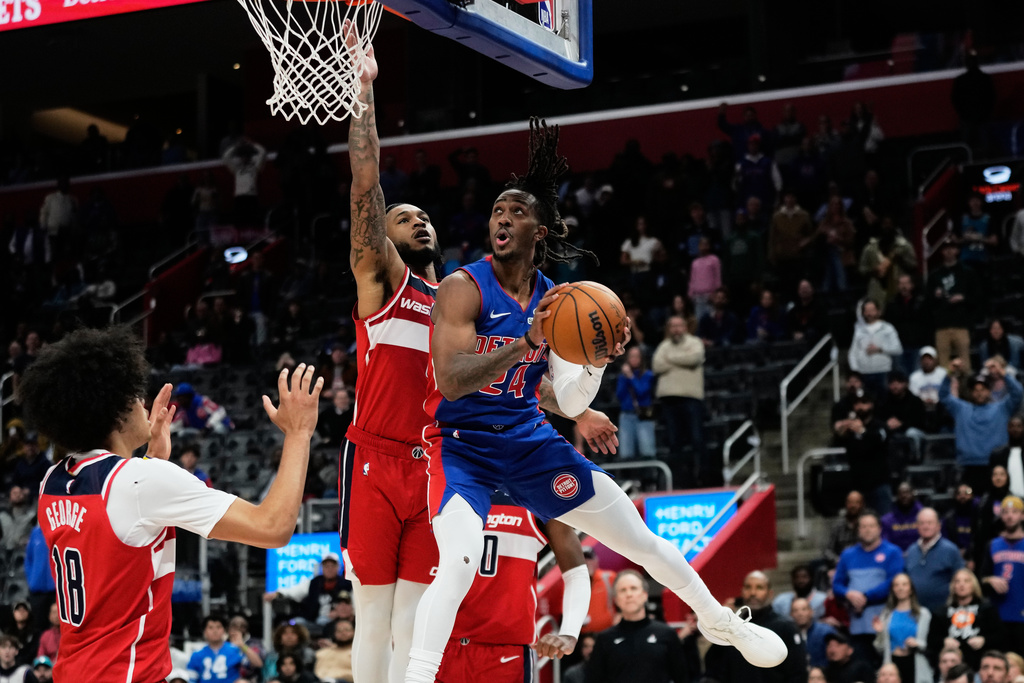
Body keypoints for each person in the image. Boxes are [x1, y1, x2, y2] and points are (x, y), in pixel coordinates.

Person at [405, 119, 786, 683]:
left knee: (640, 540)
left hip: (527, 440)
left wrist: (585, 388)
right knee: (458, 563)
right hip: (463, 448)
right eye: (496, 211)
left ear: (540, 229)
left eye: (515, 212)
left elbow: (541, 386)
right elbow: (453, 379)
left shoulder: (558, 301)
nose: (501, 219)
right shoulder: (465, 286)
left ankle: (718, 620)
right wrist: (527, 342)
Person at [19, 326, 323, 683]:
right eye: (134, 397)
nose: (142, 404)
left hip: (72, 672)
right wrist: (299, 434)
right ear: (114, 411)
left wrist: (151, 462)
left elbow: (116, 530)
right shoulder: (140, 482)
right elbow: (274, 527)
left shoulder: (50, 483)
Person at [340, 41, 443, 683]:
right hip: (375, 460)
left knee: (414, 620)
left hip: (432, 461)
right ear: (385, 233)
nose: (420, 221)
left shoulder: (457, 302)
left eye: (426, 216)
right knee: (372, 615)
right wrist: (365, 91)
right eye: (406, 217)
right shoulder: (380, 280)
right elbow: (365, 181)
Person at [435, 498, 590, 683]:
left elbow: (577, 573)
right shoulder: (445, 488)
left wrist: (569, 632)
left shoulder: (537, 496)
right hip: (438, 646)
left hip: (505, 653)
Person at [585, 571, 691, 683]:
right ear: (616, 600)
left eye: (633, 588)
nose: (629, 594)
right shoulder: (604, 639)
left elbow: (682, 677)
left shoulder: (666, 634)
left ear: (645, 595)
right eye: (623, 590)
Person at [705, 571, 808, 683]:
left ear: (770, 593)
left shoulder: (785, 626)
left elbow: (798, 672)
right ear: (742, 592)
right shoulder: (731, 627)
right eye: (748, 587)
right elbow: (713, 665)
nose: (753, 593)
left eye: (759, 587)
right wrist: (722, 621)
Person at [940, 359, 1023, 492]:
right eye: (975, 389)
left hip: (995, 467)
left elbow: (1017, 394)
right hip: (967, 466)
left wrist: (1002, 373)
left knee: (995, 505)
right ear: (971, 392)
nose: (979, 393)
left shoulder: (1001, 408)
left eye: (983, 389)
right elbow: (943, 396)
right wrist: (950, 373)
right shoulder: (961, 408)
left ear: (989, 391)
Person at [833, 512, 905, 663]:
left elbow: (894, 582)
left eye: (871, 526)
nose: (867, 530)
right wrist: (849, 594)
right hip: (856, 626)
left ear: (879, 529)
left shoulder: (892, 552)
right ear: (858, 530)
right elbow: (837, 585)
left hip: (885, 625)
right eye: (863, 526)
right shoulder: (848, 555)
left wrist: (865, 597)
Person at [652, 314, 712, 487]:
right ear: (669, 329)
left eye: (679, 325)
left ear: (685, 327)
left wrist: (670, 359)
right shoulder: (663, 345)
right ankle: (678, 481)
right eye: (673, 326)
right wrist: (680, 359)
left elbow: (695, 358)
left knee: (697, 439)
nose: (676, 329)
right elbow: (657, 365)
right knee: (673, 442)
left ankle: (703, 478)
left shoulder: (695, 343)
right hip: (669, 401)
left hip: (691, 399)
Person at [926, 568, 1002, 671]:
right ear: (953, 586)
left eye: (966, 581)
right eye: (957, 581)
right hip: (950, 669)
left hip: (979, 667)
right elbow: (931, 640)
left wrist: (984, 640)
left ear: (973, 585)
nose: (962, 585)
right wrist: (944, 641)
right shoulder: (941, 612)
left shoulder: (987, 609)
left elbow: (1001, 636)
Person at [834, 391, 892, 514]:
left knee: (884, 521)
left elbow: (880, 439)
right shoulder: (850, 429)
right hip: (857, 485)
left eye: (864, 402)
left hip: (879, 483)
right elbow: (838, 443)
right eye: (857, 403)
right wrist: (840, 430)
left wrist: (862, 431)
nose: (860, 406)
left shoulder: (879, 426)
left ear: (871, 405)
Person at [928, 240, 981, 372]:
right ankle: (946, 391)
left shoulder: (967, 272)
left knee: (965, 364)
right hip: (942, 326)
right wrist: (935, 295)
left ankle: (965, 391)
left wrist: (963, 298)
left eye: (952, 248)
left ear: (957, 251)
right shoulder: (934, 275)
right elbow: (927, 301)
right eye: (946, 248)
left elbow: (977, 297)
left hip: (961, 324)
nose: (949, 251)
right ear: (941, 252)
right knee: (943, 365)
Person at [871, 573, 933, 683]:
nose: (900, 588)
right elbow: (880, 649)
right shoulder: (886, 615)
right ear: (893, 590)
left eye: (904, 584)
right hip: (892, 663)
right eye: (896, 585)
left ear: (911, 589)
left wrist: (917, 643)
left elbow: (931, 645)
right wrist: (880, 633)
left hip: (915, 663)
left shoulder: (923, 614)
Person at [263, 553, 353, 627]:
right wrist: (277, 593)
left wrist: (341, 613)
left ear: (338, 567)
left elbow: (354, 604)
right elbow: (294, 591)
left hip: (336, 621)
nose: (329, 569)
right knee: (295, 623)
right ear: (322, 567)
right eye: (326, 566)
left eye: (332, 566)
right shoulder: (314, 582)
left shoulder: (347, 584)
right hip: (312, 619)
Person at [980, 496, 1024, 645]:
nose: (1010, 516)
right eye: (1005, 512)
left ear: (1022, 515)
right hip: (999, 615)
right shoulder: (992, 545)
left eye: (1014, 511)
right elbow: (981, 578)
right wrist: (989, 579)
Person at [904, 508, 964, 616]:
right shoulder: (911, 550)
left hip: (943, 614)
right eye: (922, 523)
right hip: (915, 612)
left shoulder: (950, 549)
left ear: (938, 526)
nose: (925, 526)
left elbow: (962, 579)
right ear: (917, 526)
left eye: (930, 523)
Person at [848, 300, 903, 396]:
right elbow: (853, 352)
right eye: (866, 311)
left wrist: (880, 349)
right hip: (863, 373)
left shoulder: (887, 328)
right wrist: (855, 370)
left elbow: (898, 349)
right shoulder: (859, 330)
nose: (869, 313)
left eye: (872, 310)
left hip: (883, 372)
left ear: (878, 311)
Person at [615, 346, 657, 460]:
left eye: (637, 356)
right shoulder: (622, 376)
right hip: (626, 415)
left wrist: (631, 377)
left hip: (643, 415)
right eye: (631, 356)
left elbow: (642, 392)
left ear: (641, 358)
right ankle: (629, 477)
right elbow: (619, 395)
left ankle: (649, 477)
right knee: (626, 452)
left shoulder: (647, 375)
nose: (634, 359)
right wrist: (625, 377)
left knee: (647, 450)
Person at [188, 615, 245, 683]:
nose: (215, 631)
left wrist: (243, 646)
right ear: (204, 632)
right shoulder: (197, 654)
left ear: (224, 630)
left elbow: (257, 664)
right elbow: (192, 679)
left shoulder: (235, 649)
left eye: (218, 627)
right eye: (210, 627)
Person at [823, 490, 867, 569]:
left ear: (862, 504)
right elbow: (827, 551)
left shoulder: (868, 524)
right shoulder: (837, 525)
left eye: (857, 502)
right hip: (842, 565)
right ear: (846, 504)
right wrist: (839, 561)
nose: (853, 505)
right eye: (850, 502)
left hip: (864, 564)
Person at [791, 597, 836, 669]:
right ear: (791, 614)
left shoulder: (825, 631)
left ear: (811, 612)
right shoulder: (789, 635)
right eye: (795, 611)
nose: (800, 614)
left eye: (804, 609)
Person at [881, 483, 923, 551]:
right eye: (901, 493)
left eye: (907, 492)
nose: (904, 496)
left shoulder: (924, 517)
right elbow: (885, 544)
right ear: (896, 496)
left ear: (913, 494)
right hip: (895, 556)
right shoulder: (886, 520)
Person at [991, 415, 1024, 497]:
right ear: (1007, 428)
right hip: (1006, 501)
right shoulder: (998, 454)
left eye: (1019, 426)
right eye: (1012, 426)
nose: (1015, 429)